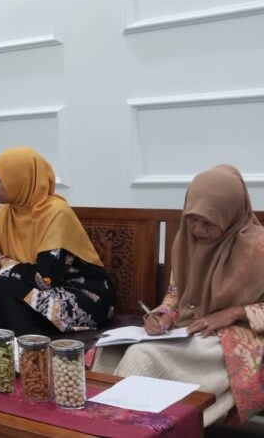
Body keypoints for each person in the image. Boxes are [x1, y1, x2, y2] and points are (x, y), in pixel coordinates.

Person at [93, 165, 264, 426]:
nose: (198, 230)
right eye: (193, 219)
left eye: (209, 223)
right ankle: (106, 423)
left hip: (236, 337)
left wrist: (233, 313)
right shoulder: (187, 241)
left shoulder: (258, 248)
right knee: (110, 349)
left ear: (231, 215)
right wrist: (162, 316)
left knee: (142, 357)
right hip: (189, 330)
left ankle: (130, 426)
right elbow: (177, 296)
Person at [0, 146, 114, 338]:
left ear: (21, 179)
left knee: (0, 287)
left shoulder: (56, 212)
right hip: (39, 291)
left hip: (80, 295)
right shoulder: (9, 211)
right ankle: (2, 349)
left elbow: (45, 279)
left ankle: (0, 348)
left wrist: (2, 263)